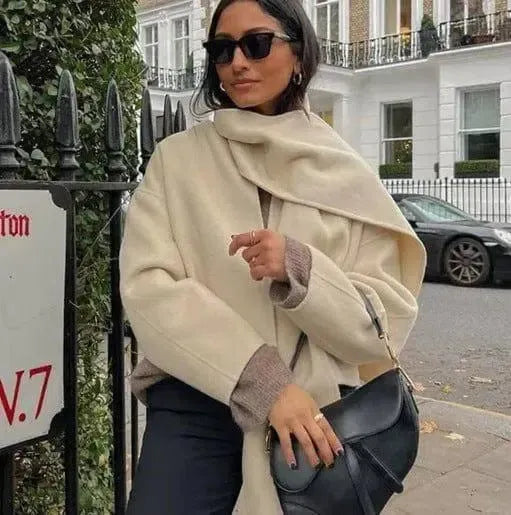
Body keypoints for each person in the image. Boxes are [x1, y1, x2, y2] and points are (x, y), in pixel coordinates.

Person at [119, 0, 426, 513]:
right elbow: (148, 290)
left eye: (257, 44)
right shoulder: (178, 160)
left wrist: (303, 270)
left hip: (315, 411)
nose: (238, 62)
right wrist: (263, 382)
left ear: (298, 53)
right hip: (197, 398)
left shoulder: (343, 171)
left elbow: (381, 325)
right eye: (222, 50)